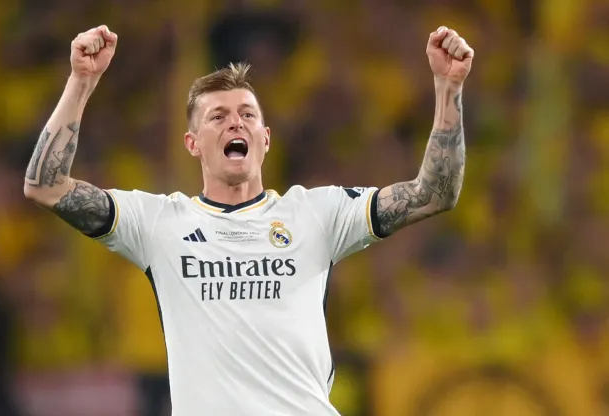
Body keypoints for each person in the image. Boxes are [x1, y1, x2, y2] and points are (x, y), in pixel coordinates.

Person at [23, 24, 473, 416]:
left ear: (265, 139)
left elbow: (433, 195)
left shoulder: (317, 213)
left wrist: (447, 89)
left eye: (247, 115)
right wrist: (81, 81)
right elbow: (44, 185)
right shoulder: (159, 224)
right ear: (193, 143)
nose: (235, 124)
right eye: (218, 116)